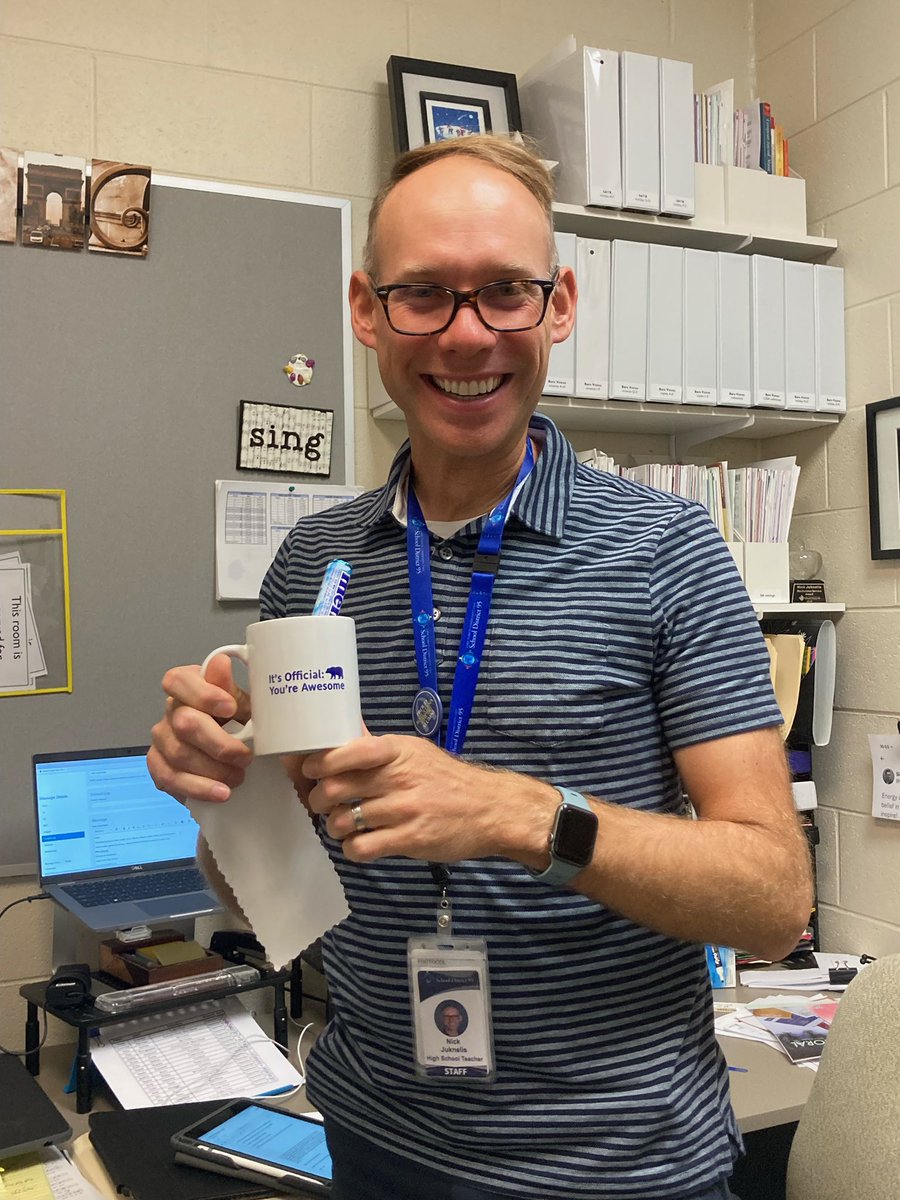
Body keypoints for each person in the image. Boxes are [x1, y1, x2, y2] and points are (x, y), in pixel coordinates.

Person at [149, 134, 812, 1200]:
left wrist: (522, 817)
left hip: (620, 1170)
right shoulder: (315, 564)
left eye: (505, 292)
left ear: (559, 305)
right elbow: (268, 891)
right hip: (371, 1140)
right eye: (424, 295)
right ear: (366, 309)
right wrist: (227, 802)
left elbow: (776, 898)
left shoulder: (667, 553)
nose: (467, 336)